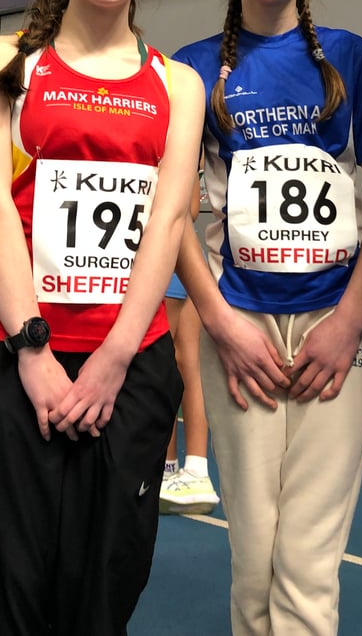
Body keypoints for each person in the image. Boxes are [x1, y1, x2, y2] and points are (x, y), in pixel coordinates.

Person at [0, 0, 204, 636]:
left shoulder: (177, 84)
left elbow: (168, 221)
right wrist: (32, 350)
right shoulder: (4, 61)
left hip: (128, 362)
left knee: (105, 578)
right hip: (5, 350)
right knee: (1, 580)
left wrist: (118, 356)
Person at [173, 0, 362, 635]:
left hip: (337, 323)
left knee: (306, 556)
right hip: (239, 326)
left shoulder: (349, 60)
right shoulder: (189, 71)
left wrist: (352, 318)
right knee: (252, 552)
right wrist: (221, 323)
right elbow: (170, 216)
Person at [159, 173, 220, 515]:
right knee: (186, 365)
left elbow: (191, 207)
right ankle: (193, 469)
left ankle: (171, 469)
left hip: (166, 259)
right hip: (188, 260)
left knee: (163, 366)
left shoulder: (174, 134)